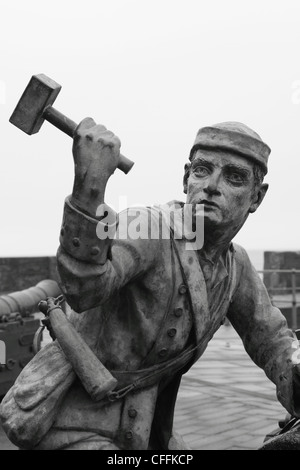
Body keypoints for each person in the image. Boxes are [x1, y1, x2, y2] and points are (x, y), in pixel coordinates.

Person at [1, 120, 300, 450]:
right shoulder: (148, 228)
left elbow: (271, 340)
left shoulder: (236, 266)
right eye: (202, 170)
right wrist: (90, 188)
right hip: (71, 419)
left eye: (234, 177)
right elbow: (85, 291)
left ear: (257, 197)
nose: (212, 186)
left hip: (147, 426)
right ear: (186, 178)